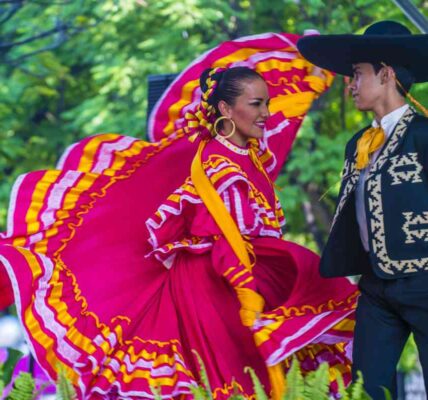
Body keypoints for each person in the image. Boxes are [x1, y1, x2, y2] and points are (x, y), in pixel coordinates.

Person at [0, 33, 358, 399]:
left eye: (266, 103)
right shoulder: (215, 163)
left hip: (230, 281)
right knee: (224, 380)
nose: (267, 113)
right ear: (225, 111)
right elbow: (214, 233)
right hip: (211, 287)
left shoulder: (246, 158)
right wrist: (247, 290)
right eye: (256, 104)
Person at [297, 20, 428, 399]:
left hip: (424, 283)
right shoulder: (358, 143)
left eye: (357, 74)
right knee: (365, 390)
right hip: (375, 289)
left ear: (385, 74)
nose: (351, 84)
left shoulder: (423, 134)